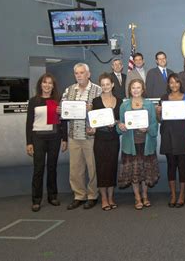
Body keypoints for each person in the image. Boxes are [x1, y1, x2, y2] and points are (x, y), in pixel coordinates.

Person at [61, 63, 102, 210]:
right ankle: (79, 195)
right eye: (76, 73)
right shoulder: (69, 90)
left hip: (90, 136)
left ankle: (92, 196)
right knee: (75, 169)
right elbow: (62, 110)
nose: (79, 76)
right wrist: (61, 110)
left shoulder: (98, 90)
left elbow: (103, 112)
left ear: (88, 74)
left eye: (82, 73)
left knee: (93, 168)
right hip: (74, 135)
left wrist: (93, 109)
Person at [26, 73, 68, 212]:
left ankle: (52, 196)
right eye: (45, 82)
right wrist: (29, 142)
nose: (47, 85)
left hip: (54, 138)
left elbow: (63, 121)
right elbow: (29, 123)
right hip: (38, 138)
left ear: (53, 86)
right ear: (40, 84)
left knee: (52, 168)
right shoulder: (33, 101)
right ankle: (36, 199)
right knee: (38, 169)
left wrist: (65, 138)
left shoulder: (57, 100)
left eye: (50, 83)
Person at [117, 78, 159, 210]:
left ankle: (145, 196)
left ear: (142, 89)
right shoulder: (124, 106)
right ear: (130, 90)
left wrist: (148, 129)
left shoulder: (149, 105)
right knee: (134, 173)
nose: (135, 90)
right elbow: (119, 127)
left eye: (138, 87)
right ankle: (137, 197)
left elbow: (154, 124)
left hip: (146, 144)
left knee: (146, 172)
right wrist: (121, 126)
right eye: (133, 88)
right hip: (131, 144)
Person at [156, 73, 185, 208]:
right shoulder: (164, 98)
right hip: (168, 134)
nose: (174, 85)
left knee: (182, 165)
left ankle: (182, 195)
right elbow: (159, 120)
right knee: (171, 165)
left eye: (176, 82)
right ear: (168, 84)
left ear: (180, 84)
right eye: (171, 82)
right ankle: (173, 194)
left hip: (182, 134)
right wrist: (158, 112)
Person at [89, 73, 122, 211]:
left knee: (112, 167)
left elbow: (121, 120)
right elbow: (91, 122)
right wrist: (91, 128)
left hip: (113, 138)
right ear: (100, 86)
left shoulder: (119, 101)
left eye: (108, 84)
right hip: (100, 139)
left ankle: (111, 197)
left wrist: (115, 122)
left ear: (112, 85)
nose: (105, 87)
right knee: (101, 168)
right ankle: (104, 198)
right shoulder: (95, 101)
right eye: (103, 85)